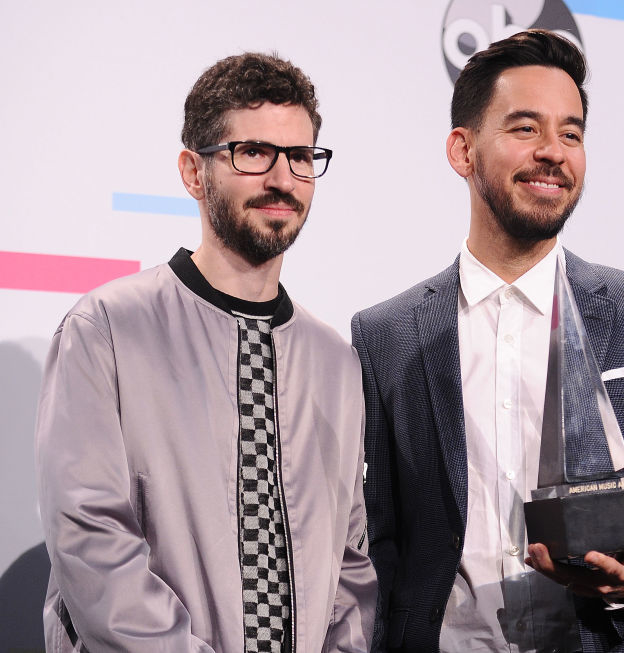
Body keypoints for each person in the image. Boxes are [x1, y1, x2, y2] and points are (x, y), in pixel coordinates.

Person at [350, 30, 624, 653]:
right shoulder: (385, 334)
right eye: (525, 129)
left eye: (571, 133)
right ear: (462, 150)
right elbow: (379, 534)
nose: (554, 152)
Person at [34, 52, 375, 652]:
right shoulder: (107, 328)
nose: (282, 179)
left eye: (299, 157)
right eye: (252, 153)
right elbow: (91, 544)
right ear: (194, 172)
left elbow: (351, 565)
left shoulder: (335, 363)